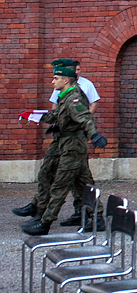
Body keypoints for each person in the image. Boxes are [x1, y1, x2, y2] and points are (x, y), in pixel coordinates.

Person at [22, 65, 108, 235]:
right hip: (70, 145)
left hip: (73, 147)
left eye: (56, 78)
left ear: (66, 80)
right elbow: (58, 116)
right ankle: (97, 218)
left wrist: (94, 135)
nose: (52, 81)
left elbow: (84, 118)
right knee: (84, 184)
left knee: (60, 184)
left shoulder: (73, 98)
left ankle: (45, 223)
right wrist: (36, 116)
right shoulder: (65, 96)